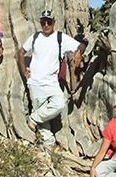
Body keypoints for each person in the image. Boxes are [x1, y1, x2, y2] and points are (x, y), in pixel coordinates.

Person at [17, 10, 85, 146]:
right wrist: (24, 70)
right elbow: (21, 52)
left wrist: (78, 52)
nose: (46, 25)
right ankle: (48, 143)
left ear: (54, 22)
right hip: (35, 82)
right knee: (43, 121)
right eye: (43, 22)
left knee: (59, 104)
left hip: (52, 83)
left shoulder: (61, 37)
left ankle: (33, 118)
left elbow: (81, 44)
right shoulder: (35, 37)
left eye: (49, 22)